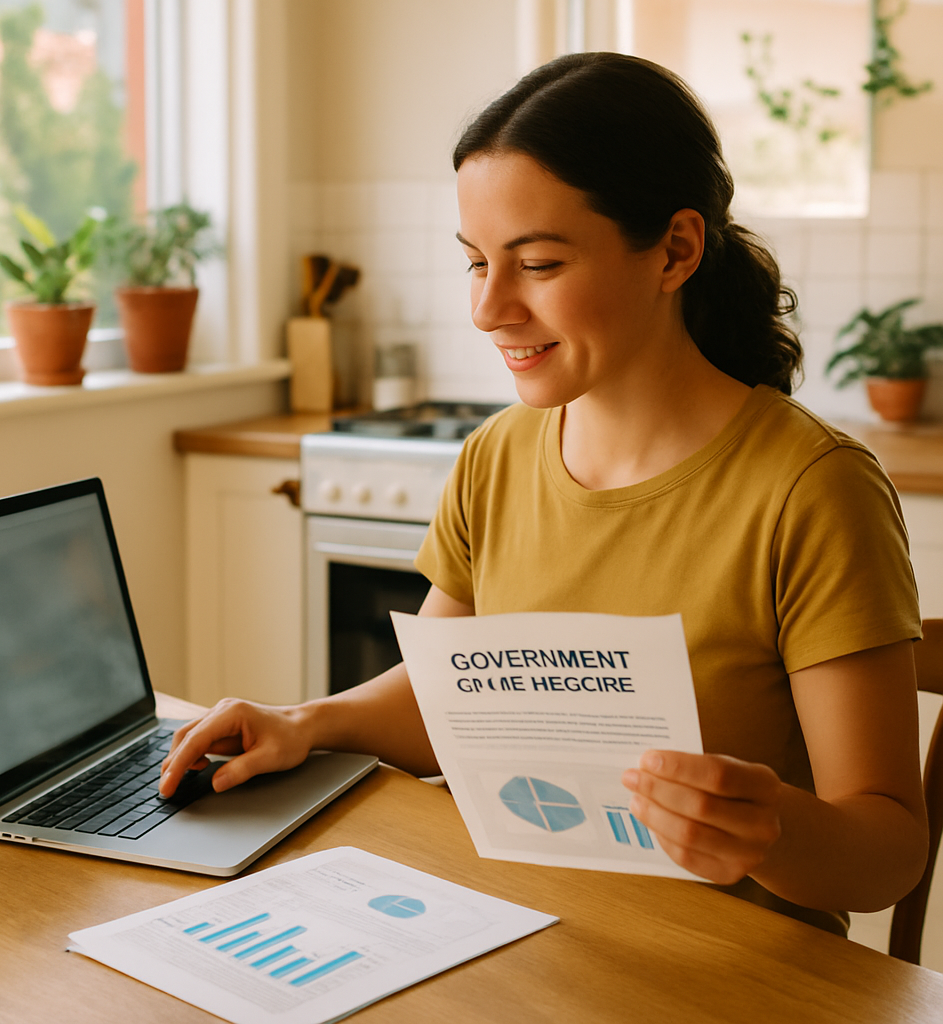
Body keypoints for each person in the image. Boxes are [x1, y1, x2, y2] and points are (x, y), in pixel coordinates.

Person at [160, 53, 928, 937]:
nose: (489, 309)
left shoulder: (811, 488)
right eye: (476, 262)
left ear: (675, 250)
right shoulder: (496, 455)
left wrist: (772, 829)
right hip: (513, 937)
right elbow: (447, 700)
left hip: (726, 974)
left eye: (538, 264)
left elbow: (888, 850)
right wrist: (306, 722)